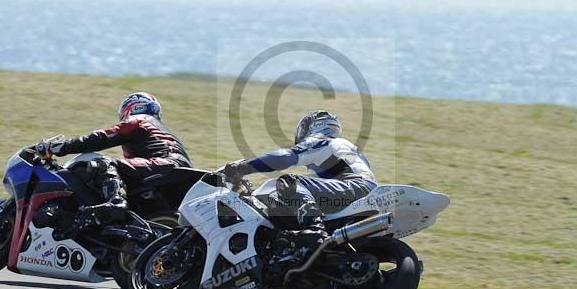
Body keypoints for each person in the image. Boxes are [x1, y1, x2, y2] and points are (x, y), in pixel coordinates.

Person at [222, 110, 376, 250]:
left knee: (289, 182)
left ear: (313, 126)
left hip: (355, 186)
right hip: (363, 192)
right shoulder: (346, 149)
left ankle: (315, 229)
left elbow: (284, 158)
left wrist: (243, 168)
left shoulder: (322, 140)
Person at [34, 92, 192, 227]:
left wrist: (59, 147)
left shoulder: (140, 119)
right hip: (177, 174)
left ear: (132, 107)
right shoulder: (159, 132)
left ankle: (116, 201)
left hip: (166, 164)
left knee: (105, 163)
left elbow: (102, 137)